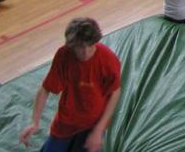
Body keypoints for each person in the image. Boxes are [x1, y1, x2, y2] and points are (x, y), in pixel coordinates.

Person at [19, 18, 121, 152]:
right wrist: (34, 122)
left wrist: (99, 129)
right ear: (72, 46)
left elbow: (115, 92)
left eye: (90, 46)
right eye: (80, 47)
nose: (85, 52)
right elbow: (45, 89)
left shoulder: (108, 60)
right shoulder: (64, 55)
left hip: (93, 123)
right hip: (67, 120)